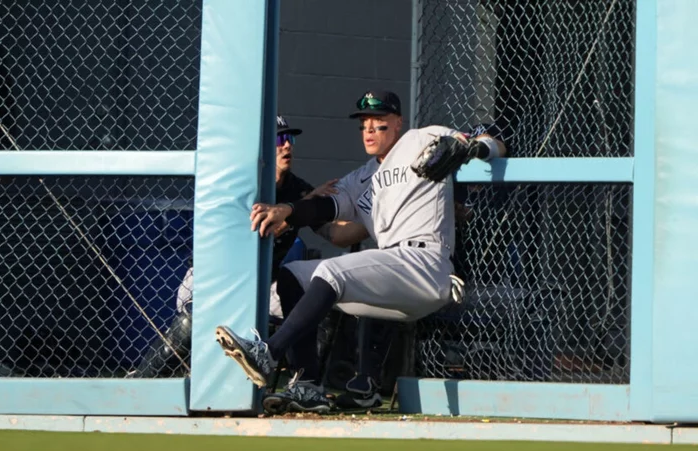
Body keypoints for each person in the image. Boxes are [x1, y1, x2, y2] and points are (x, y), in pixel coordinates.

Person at [215, 90, 507, 414]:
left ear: (398, 123)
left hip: (426, 263)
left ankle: (267, 354)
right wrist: (289, 209)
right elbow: (326, 210)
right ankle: (308, 384)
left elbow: (495, 143)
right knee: (294, 275)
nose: (369, 128)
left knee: (331, 271)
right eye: (364, 122)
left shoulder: (423, 139)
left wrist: (475, 147)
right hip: (393, 269)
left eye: (379, 121)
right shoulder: (362, 177)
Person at [127, 115, 352, 377]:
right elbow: (259, 232)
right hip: (213, 280)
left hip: (264, 287)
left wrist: (358, 212)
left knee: (322, 306)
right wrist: (301, 208)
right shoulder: (244, 185)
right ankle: (145, 378)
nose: (287, 146)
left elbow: (332, 232)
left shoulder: (299, 189)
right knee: (195, 316)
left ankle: (303, 385)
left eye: (289, 139)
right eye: (279, 140)